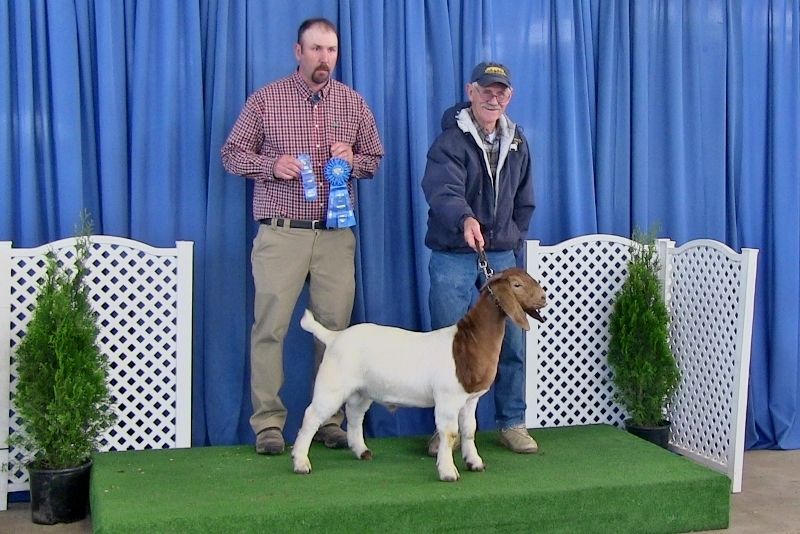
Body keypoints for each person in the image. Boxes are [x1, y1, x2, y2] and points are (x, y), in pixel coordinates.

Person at [221, 18, 384, 455]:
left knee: (334, 332)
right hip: (281, 234)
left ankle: (329, 419)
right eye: (316, 49)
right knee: (269, 328)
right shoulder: (266, 101)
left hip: (335, 237)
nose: (324, 58)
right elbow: (231, 154)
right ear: (298, 52)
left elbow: (374, 160)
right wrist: (270, 165)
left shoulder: (352, 103)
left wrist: (352, 160)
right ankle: (268, 424)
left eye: (331, 50)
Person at [421, 62, 537, 455]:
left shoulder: (518, 140)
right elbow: (442, 191)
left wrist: (510, 237)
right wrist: (465, 219)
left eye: (501, 91)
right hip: (453, 251)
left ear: (509, 96)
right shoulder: (449, 143)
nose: (493, 97)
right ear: (471, 91)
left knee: (513, 341)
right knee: (449, 345)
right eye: (486, 89)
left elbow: (525, 199)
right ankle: (445, 430)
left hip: (500, 254)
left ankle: (512, 422)